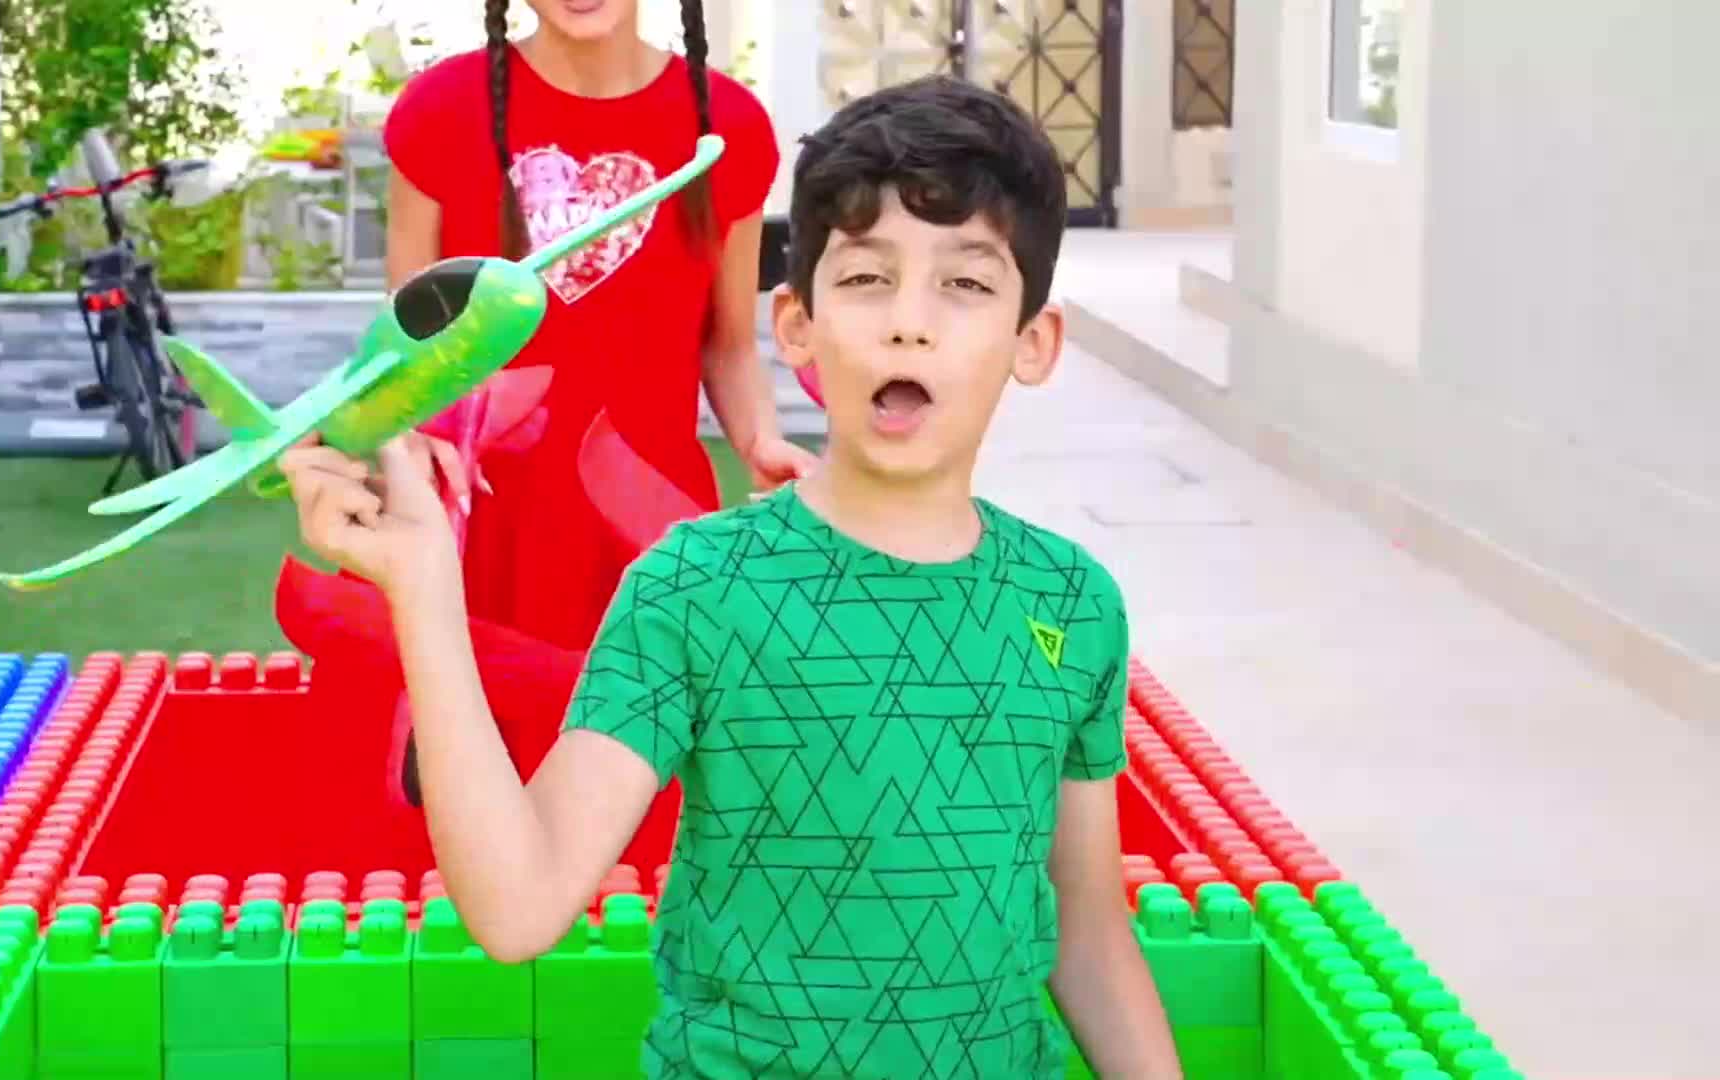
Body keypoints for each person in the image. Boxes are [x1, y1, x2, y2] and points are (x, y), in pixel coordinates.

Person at [279, 74, 1182, 1078]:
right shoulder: (695, 587)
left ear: (1033, 342)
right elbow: (517, 906)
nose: (908, 323)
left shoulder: (1071, 603)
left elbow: (1092, 935)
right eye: (866, 278)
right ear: (795, 325)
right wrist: (424, 595)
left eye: (965, 283)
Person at [271, 0, 816, 879]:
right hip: (480, 529)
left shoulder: (729, 128)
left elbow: (725, 343)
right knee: (459, 835)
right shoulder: (439, 115)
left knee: (644, 850)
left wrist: (762, 441)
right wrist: (406, 441)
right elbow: (406, 347)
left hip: (643, 532)